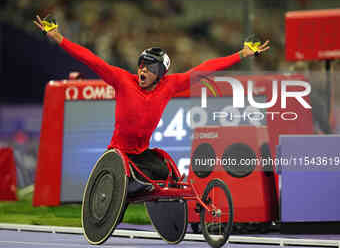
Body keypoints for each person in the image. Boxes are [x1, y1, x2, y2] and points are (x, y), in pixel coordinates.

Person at [33, 14, 269, 182]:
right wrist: (58, 37)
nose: (143, 71)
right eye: (142, 66)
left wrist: (242, 54)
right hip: (117, 154)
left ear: (161, 74)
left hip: (142, 155)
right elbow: (91, 59)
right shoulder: (122, 79)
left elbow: (206, 68)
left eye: (151, 69)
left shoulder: (169, 86)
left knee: (170, 176)